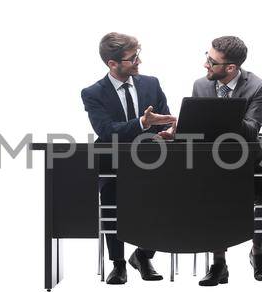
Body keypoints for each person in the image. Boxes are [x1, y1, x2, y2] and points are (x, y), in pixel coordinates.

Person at [79, 32, 175, 285]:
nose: (139, 62)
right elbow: (107, 131)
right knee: (111, 203)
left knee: (169, 198)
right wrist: (143, 123)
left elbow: (163, 117)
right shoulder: (93, 93)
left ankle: (143, 256)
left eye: (138, 56)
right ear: (113, 63)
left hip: (152, 162)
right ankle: (118, 264)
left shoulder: (151, 84)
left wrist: (167, 131)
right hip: (114, 164)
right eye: (133, 58)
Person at [181, 35, 262, 286]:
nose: (205, 65)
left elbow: (252, 129)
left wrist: (222, 113)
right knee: (210, 193)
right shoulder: (200, 85)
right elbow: (196, 130)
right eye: (207, 56)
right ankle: (219, 263)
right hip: (212, 162)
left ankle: (258, 252)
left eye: (212, 61)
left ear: (231, 68)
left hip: (247, 160)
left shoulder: (257, 87)